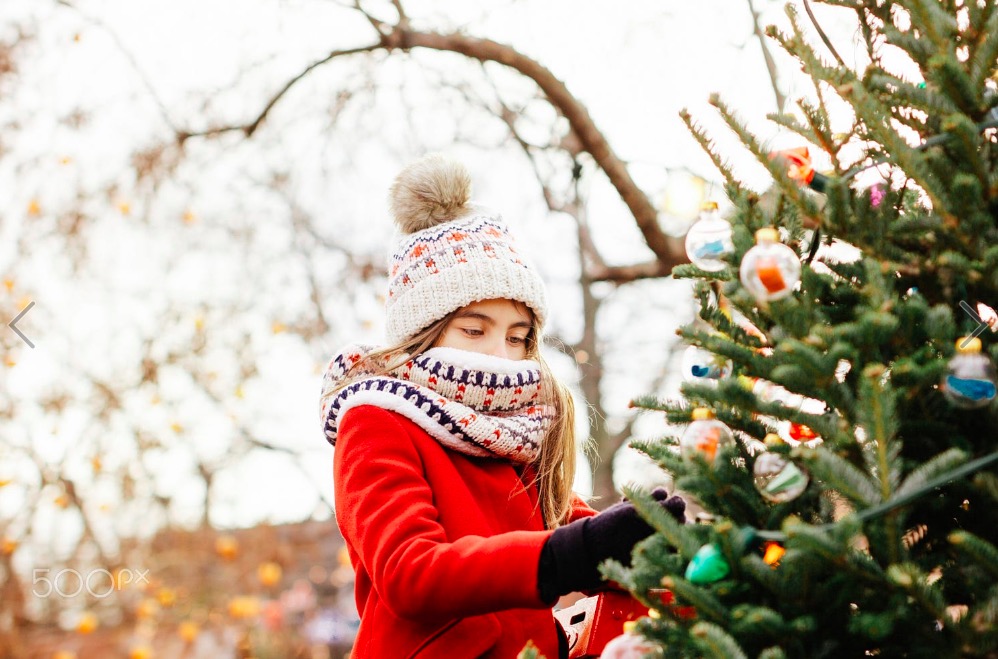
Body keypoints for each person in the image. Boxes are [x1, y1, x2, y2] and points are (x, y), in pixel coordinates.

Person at [319, 154, 685, 658]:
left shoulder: (511, 430)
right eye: (475, 330)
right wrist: (578, 552)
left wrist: (644, 532)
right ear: (423, 332)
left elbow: (555, 524)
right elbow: (410, 573)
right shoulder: (375, 421)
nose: (501, 355)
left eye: (518, 337)